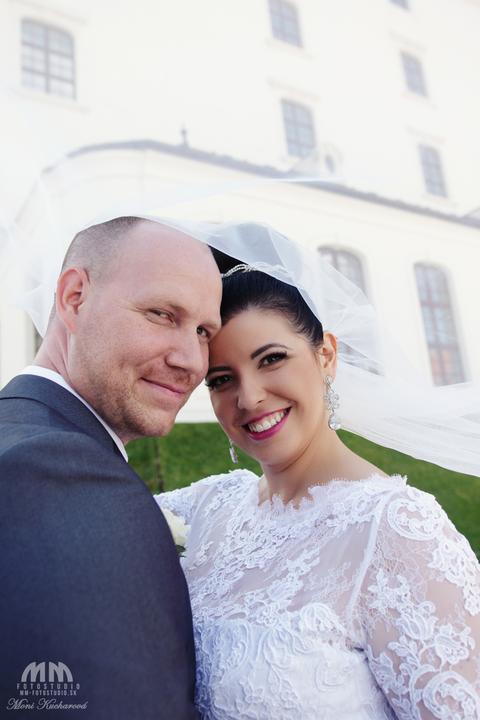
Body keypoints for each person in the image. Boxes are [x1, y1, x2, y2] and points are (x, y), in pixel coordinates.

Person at [155, 266, 480, 719]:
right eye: (222, 379)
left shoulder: (397, 531)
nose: (248, 398)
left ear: (326, 355)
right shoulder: (206, 507)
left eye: (271, 359)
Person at [0, 216, 222, 718]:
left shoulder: (17, 431)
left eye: (204, 331)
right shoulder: (58, 472)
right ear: (74, 297)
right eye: (162, 314)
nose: (192, 361)